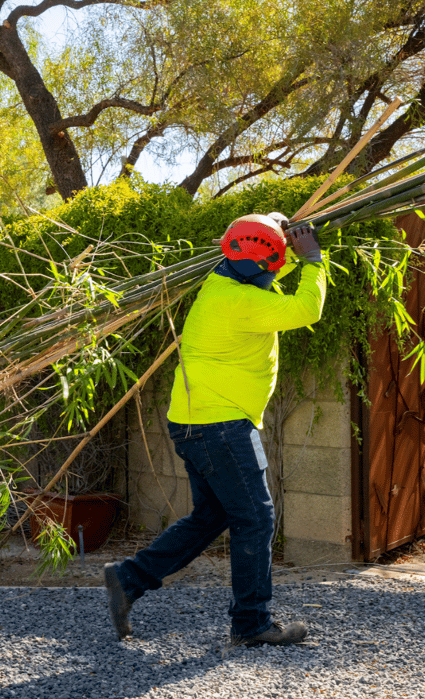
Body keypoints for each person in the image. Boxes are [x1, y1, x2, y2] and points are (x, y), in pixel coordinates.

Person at [104, 211, 326, 646]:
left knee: (214, 516)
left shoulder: (222, 284)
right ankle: (250, 623)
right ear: (258, 267)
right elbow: (305, 309)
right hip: (221, 426)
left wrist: (273, 229)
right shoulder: (238, 300)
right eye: (272, 263)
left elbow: (267, 282)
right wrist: (314, 260)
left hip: (196, 423)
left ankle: (130, 578)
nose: (273, 272)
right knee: (256, 519)